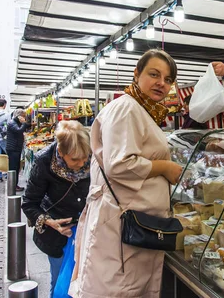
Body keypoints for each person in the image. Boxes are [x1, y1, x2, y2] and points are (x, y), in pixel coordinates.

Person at [72, 49, 183, 298]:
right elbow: (120, 164)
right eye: (154, 75)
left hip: (134, 225)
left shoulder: (142, 110)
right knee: (116, 290)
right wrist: (164, 168)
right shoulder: (126, 109)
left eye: (168, 79)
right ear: (137, 74)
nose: (161, 83)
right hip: (120, 225)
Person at [22, 121, 91, 297]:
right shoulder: (44, 161)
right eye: (75, 159)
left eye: (85, 157)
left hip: (89, 233)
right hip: (57, 237)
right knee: (60, 282)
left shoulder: (95, 158)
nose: (82, 163)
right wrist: (49, 222)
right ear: (61, 152)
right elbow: (29, 202)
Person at [6, 108, 30, 192]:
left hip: (15, 148)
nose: (24, 118)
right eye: (23, 116)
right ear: (19, 116)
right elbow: (19, 131)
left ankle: (14, 185)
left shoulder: (14, 122)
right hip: (13, 148)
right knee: (13, 168)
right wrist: (24, 124)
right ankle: (13, 186)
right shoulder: (12, 123)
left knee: (16, 167)